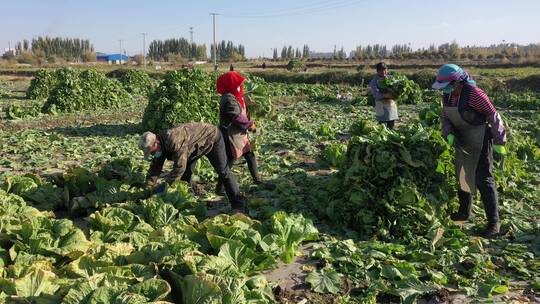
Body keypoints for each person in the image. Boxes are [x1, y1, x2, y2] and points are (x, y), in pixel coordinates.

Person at [432, 64, 507, 238]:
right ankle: (465, 212)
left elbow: (493, 116)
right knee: (462, 175)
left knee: (483, 179)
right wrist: (448, 132)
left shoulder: (474, 94)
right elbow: (445, 116)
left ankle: (493, 223)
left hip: (480, 137)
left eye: (449, 86)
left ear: (458, 81)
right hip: (461, 138)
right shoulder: (448, 95)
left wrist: (499, 141)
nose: (447, 90)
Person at [138, 122, 246, 213]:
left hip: (212, 137)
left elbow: (179, 168)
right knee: (186, 176)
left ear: (156, 143)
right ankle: (189, 201)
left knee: (223, 171)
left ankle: (237, 205)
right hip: (192, 147)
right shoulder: (160, 146)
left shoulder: (174, 140)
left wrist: (166, 187)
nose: (152, 154)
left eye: (151, 152)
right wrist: (148, 190)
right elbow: (155, 168)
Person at [215, 71, 262, 193]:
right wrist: (250, 125)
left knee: (250, 155)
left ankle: (257, 180)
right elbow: (236, 117)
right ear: (231, 85)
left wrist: (247, 100)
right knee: (229, 162)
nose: (240, 87)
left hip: (239, 134)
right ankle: (219, 189)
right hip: (231, 135)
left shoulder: (233, 96)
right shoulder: (228, 99)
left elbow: (241, 104)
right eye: (238, 84)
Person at [370, 62, 398, 129]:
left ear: (387, 70)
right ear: (377, 71)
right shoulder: (374, 81)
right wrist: (386, 95)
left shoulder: (391, 78)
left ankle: (390, 138)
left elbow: (397, 89)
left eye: (385, 69)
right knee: (381, 125)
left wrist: (395, 94)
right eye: (381, 70)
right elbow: (375, 94)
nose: (383, 71)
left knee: (391, 124)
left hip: (391, 103)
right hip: (380, 104)